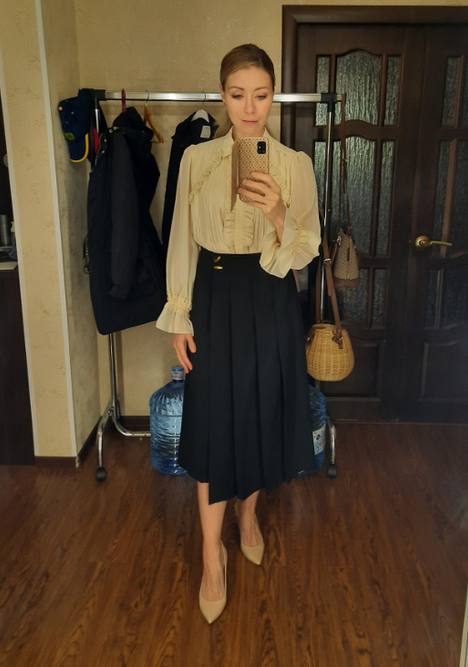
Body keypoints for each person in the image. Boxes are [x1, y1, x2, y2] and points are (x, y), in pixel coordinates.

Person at [156, 44, 321, 623]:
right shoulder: (197, 159)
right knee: (212, 420)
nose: (250, 109)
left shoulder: (295, 164)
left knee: (258, 413)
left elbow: (305, 249)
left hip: (270, 297)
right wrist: (179, 315)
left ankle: (247, 517)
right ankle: (211, 554)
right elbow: (182, 239)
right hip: (213, 294)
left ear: (273, 96)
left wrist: (278, 214)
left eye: (261, 95)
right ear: (222, 96)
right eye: (237, 94)